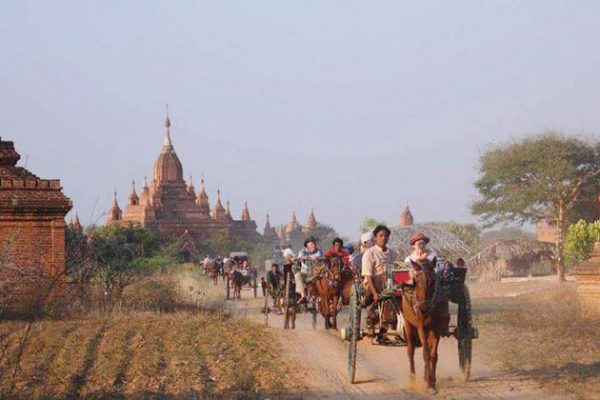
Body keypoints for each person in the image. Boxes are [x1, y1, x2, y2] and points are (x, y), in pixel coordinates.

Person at [361, 225, 399, 303]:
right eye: (381, 236)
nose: (383, 238)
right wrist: (375, 293)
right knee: (387, 272)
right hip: (373, 283)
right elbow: (368, 276)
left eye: (386, 236)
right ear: (375, 238)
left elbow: (398, 271)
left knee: (409, 271)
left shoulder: (393, 253)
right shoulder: (369, 253)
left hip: (390, 282)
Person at [296, 237, 323, 303]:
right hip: (305, 273)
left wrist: (316, 257)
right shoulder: (303, 251)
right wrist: (305, 257)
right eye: (311, 244)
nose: (313, 245)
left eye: (314, 244)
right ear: (307, 245)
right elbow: (300, 256)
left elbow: (319, 256)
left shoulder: (319, 250)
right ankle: (303, 296)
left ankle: (322, 295)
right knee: (297, 275)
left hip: (316, 272)